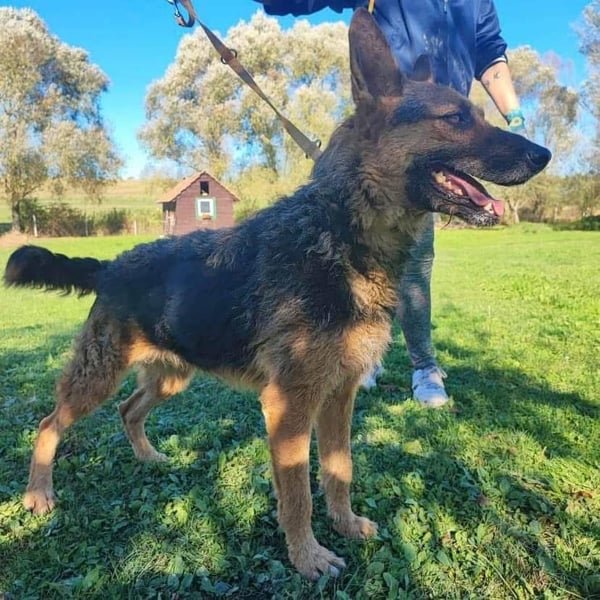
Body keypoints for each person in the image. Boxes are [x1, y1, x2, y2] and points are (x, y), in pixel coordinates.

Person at [255, 0, 526, 407]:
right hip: (391, 131)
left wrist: (514, 114)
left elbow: (489, 53)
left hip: (443, 132)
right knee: (344, 255)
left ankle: (418, 365)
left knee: (412, 262)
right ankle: (356, 355)